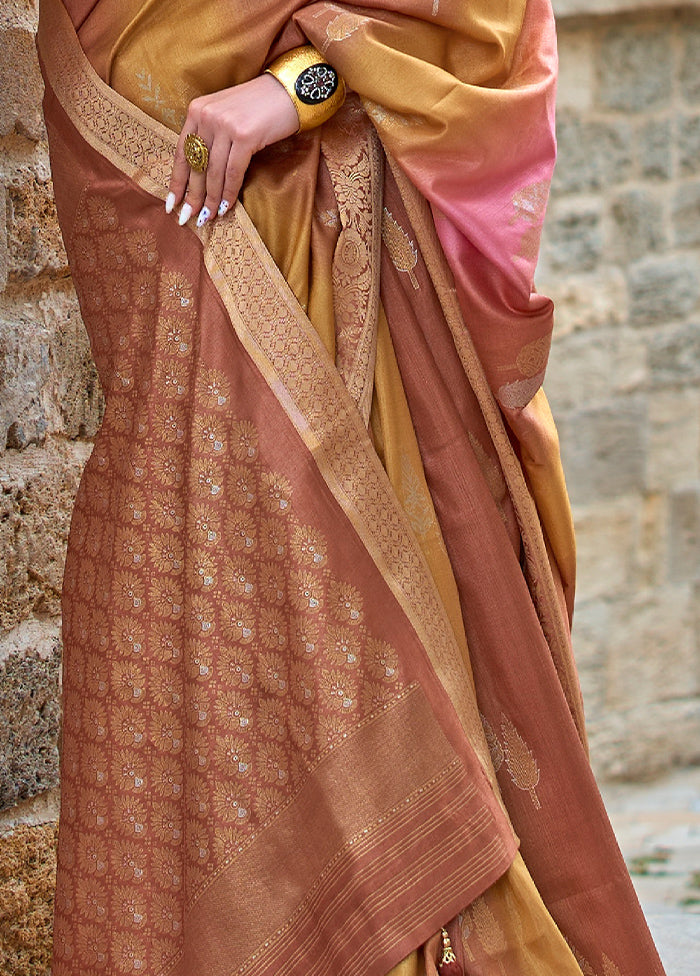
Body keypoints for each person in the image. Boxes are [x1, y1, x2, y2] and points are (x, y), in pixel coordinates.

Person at [37, 1, 666, 974]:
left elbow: (481, 25)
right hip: (147, 228)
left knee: (365, 646)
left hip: (332, 254)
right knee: (189, 634)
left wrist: (299, 89)